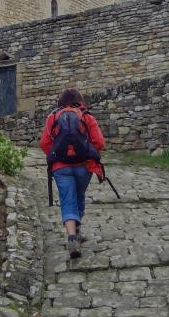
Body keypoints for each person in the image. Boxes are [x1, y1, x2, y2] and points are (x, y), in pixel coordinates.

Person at [39, 87, 106, 259]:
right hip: (84, 166)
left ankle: (71, 237)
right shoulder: (86, 116)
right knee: (79, 196)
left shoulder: (52, 117)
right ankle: (77, 231)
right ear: (79, 100)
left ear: (61, 101)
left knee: (67, 200)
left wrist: (56, 155)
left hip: (61, 167)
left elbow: (45, 143)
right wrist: (85, 150)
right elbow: (99, 142)